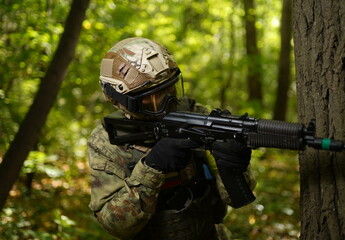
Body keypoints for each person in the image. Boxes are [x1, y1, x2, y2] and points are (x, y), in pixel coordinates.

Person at [87, 37, 256, 240]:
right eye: (151, 98)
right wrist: (152, 166)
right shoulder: (106, 142)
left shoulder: (197, 115)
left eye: (170, 89)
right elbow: (115, 225)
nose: (167, 102)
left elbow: (232, 197)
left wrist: (233, 163)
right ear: (121, 101)